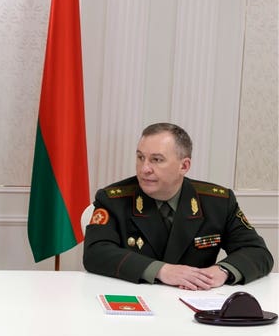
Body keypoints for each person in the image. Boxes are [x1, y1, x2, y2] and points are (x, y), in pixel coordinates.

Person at [83, 122, 273, 290]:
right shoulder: (113, 199)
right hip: (133, 304)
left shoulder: (218, 202)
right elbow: (95, 253)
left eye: (156, 160)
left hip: (196, 306)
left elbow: (258, 253)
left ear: (184, 166)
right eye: (141, 157)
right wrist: (161, 270)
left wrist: (222, 271)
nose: (144, 168)